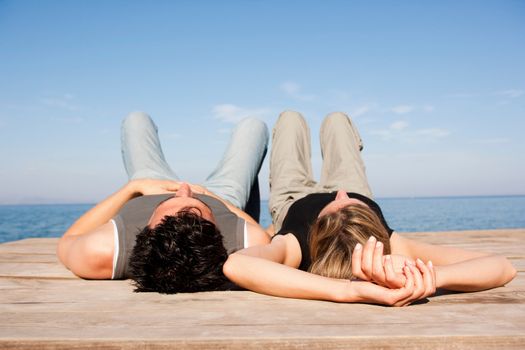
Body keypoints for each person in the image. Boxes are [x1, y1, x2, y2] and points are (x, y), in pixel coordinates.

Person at [223, 110, 517, 306]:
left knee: (290, 119)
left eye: (334, 205)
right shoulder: (389, 243)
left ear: (314, 231)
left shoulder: (294, 246)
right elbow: (502, 266)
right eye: (349, 204)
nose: (336, 194)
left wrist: (348, 290)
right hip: (356, 186)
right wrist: (432, 278)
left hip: (292, 197)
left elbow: (237, 265)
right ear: (374, 226)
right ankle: (355, 192)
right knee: (338, 120)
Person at [57, 112, 270, 293]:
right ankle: (197, 203)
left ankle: (165, 197)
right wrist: (213, 200)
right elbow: (256, 230)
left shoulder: (103, 251)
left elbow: (68, 240)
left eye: (170, 202)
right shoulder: (246, 242)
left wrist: (134, 187)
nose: (183, 187)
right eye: (196, 206)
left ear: (146, 227)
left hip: (151, 186)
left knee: (136, 120)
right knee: (253, 127)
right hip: (221, 196)